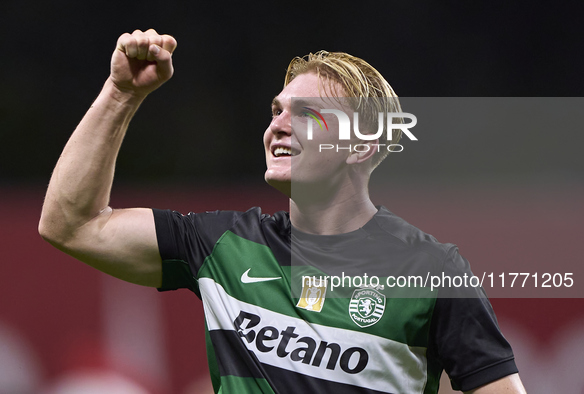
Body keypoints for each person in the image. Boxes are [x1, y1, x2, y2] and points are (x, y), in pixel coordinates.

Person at [39, 29, 527, 393]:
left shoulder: (430, 270)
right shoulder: (222, 245)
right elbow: (71, 224)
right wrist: (122, 94)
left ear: (360, 146)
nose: (278, 126)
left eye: (307, 114)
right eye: (276, 110)